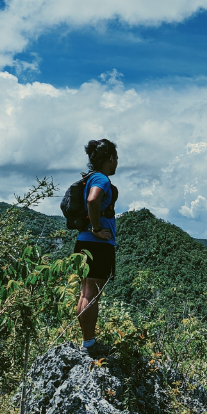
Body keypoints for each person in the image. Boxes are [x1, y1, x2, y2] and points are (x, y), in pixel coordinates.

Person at [74, 139, 118, 357]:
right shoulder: (101, 178)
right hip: (97, 245)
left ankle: (87, 341)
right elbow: (93, 201)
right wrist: (98, 229)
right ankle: (89, 345)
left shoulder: (88, 178)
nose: (117, 162)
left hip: (83, 243)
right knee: (92, 293)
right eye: (116, 157)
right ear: (110, 158)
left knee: (85, 292)